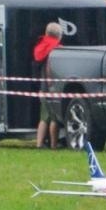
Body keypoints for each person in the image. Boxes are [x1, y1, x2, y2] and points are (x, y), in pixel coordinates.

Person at [33, 21, 63, 149]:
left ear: (46, 33)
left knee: (43, 118)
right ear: (59, 35)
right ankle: (53, 145)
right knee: (54, 119)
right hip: (52, 89)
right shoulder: (57, 49)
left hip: (42, 88)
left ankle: (39, 144)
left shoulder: (40, 47)